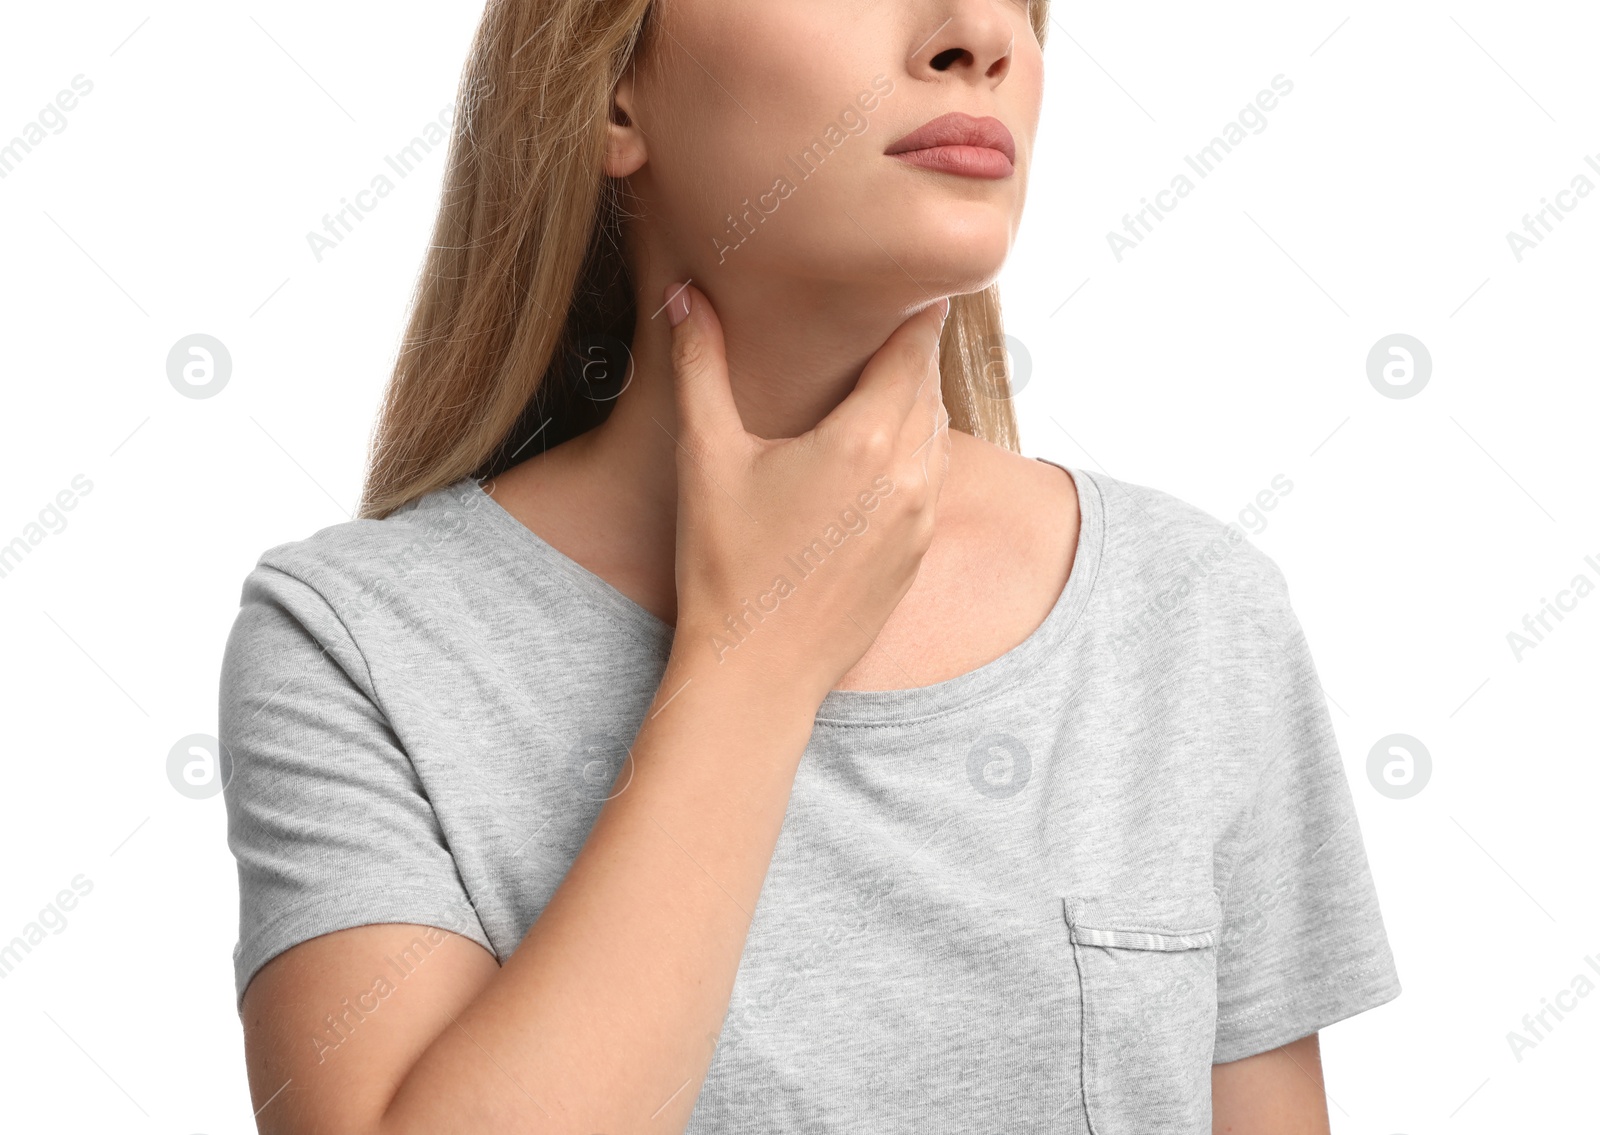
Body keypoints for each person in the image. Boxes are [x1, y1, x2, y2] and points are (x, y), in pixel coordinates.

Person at [219, 1, 1400, 1131]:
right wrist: (752, 659)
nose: (982, 33)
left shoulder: (1193, 613)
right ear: (613, 95)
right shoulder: (355, 647)